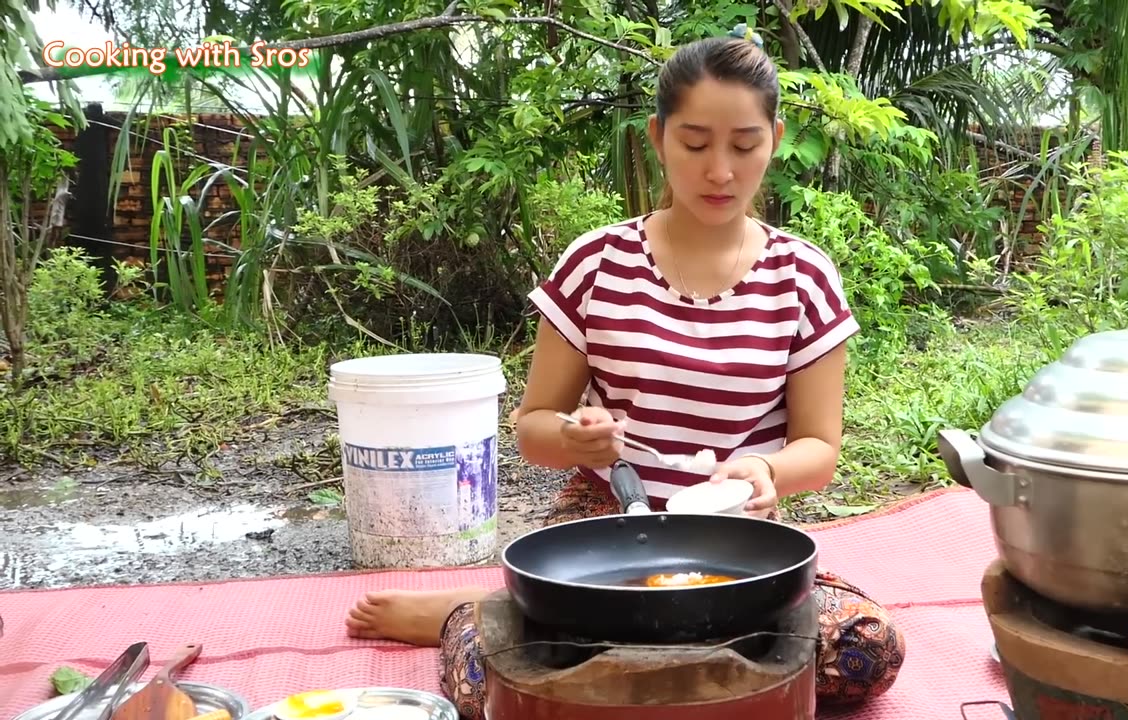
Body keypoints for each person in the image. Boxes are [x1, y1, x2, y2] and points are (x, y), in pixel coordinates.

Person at [344, 26, 905, 718]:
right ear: (657, 137)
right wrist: (574, 438)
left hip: (735, 549)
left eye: (744, 144)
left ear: (776, 137)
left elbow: (819, 450)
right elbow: (533, 429)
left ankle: (561, 639)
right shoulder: (597, 265)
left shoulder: (803, 277)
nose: (720, 171)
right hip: (604, 537)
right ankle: (475, 609)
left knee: (868, 648)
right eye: (695, 144)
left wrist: (767, 474)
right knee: (485, 677)